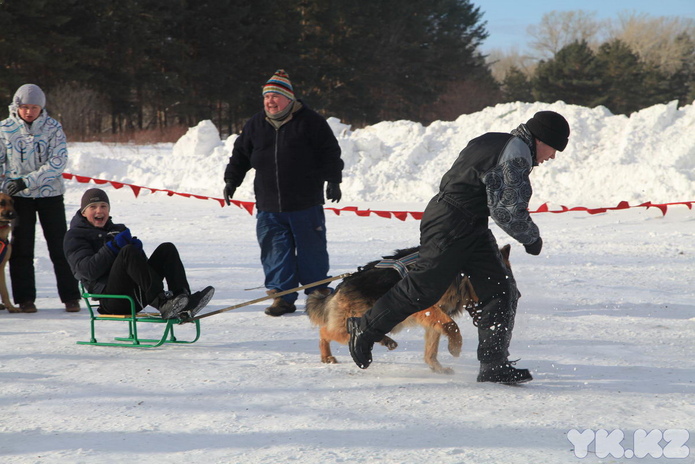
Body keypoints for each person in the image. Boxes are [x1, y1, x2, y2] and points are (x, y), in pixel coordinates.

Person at [347, 111, 571, 384]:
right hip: (451, 223)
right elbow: (507, 211)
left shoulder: (493, 140)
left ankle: (493, 364)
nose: (553, 156)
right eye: (554, 148)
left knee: (501, 289)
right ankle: (364, 328)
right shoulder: (517, 154)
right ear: (542, 139)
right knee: (423, 290)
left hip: (468, 223)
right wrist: (531, 238)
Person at [223, 69, 344, 317]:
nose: (270, 101)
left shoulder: (311, 122)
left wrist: (333, 180)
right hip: (269, 206)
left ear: (289, 98)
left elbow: (330, 152)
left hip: (305, 203)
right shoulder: (256, 124)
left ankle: (318, 295)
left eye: (275, 96)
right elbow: (240, 156)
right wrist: (231, 181)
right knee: (275, 253)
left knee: (312, 252)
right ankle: (282, 298)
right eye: (267, 97)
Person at [63, 188, 215, 320]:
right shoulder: (75, 236)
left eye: (103, 206)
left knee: (166, 249)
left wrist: (139, 252)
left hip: (137, 294)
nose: (99, 211)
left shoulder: (118, 229)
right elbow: (87, 271)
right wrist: (114, 248)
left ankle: (183, 300)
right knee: (127, 252)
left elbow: (141, 270)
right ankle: (163, 303)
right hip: (113, 300)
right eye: (93, 207)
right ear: (83, 212)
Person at [0, 83, 81, 313]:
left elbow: (57, 163)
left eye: (34, 107)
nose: (29, 112)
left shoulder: (53, 128)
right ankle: (25, 299)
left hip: (50, 195)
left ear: (41, 108)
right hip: (19, 198)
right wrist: (2, 192)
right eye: (25, 107)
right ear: (17, 107)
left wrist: (27, 181)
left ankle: (70, 297)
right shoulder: (4, 128)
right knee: (22, 248)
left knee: (60, 246)